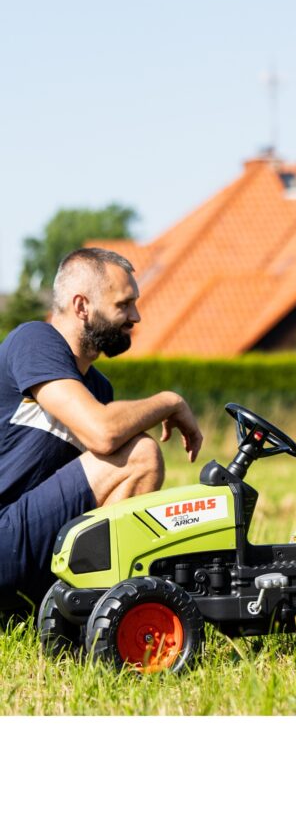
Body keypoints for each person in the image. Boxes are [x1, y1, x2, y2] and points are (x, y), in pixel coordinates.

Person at [0, 247, 203, 607]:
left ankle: (79, 604)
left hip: (26, 545)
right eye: (124, 305)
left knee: (132, 454)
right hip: (5, 533)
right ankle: (105, 607)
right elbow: (102, 431)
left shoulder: (98, 389)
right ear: (82, 306)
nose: (136, 317)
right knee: (141, 454)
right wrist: (171, 401)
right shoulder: (34, 341)